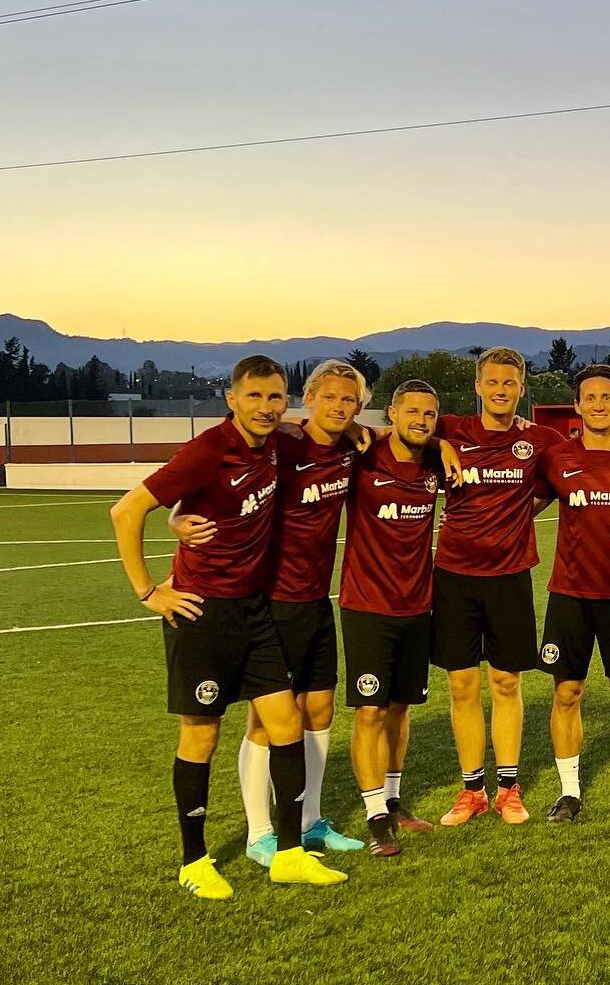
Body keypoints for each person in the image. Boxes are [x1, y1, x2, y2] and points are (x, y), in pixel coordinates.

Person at [108, 355, 347, 899]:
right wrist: (149, 590)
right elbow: (126, 511)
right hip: (202, 611)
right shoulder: (209, 449)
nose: (266, 407)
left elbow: (338, 428)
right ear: (232, 398)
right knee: (202, 732)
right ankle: (194, 861)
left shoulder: (276, 444)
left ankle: (288, 854)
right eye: (256, 396)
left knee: (285, 724)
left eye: (275, 397)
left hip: (255, 609)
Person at [169, 359, 370, 864]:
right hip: (269, 600)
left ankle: (309, 820)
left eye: (349, 400)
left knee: (320, 709)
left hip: (315, 599)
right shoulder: (282, 444)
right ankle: (261, 831)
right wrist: (177, 520)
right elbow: (203, 487)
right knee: (268, 720)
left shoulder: (353, 448)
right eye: (329, 397)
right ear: (307, 398)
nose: (339, 407)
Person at [432, 347, 560, 827]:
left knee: (506, 682)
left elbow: (579, 459)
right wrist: (438, 446)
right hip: (454, 576)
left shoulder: (538, 441)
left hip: (510, 577)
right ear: (478, 387)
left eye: (510, 383)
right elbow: (397, 430)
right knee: (462, 685)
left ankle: (508, 788)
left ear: (522, 389)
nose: (501, 390)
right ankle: (471, 791)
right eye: (493, 382)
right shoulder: (450, 430)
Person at [534, 364, 610, 824]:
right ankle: (570, 792)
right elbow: (523, 507)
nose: (599, 405)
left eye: (608, 397)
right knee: (567, 692)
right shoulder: (558, 458)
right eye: (590, 398)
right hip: (569, 593)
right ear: (578, 406)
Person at [337, 379, 446, 857]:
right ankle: (374, 813)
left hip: (417, 605)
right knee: (369, 710)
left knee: (400, 708)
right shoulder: (363, 458)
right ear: (392, 415)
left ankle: (394, 799)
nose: (421, 421)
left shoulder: (435, 465)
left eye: (429, 414)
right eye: (412, 412)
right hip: (366, 606)